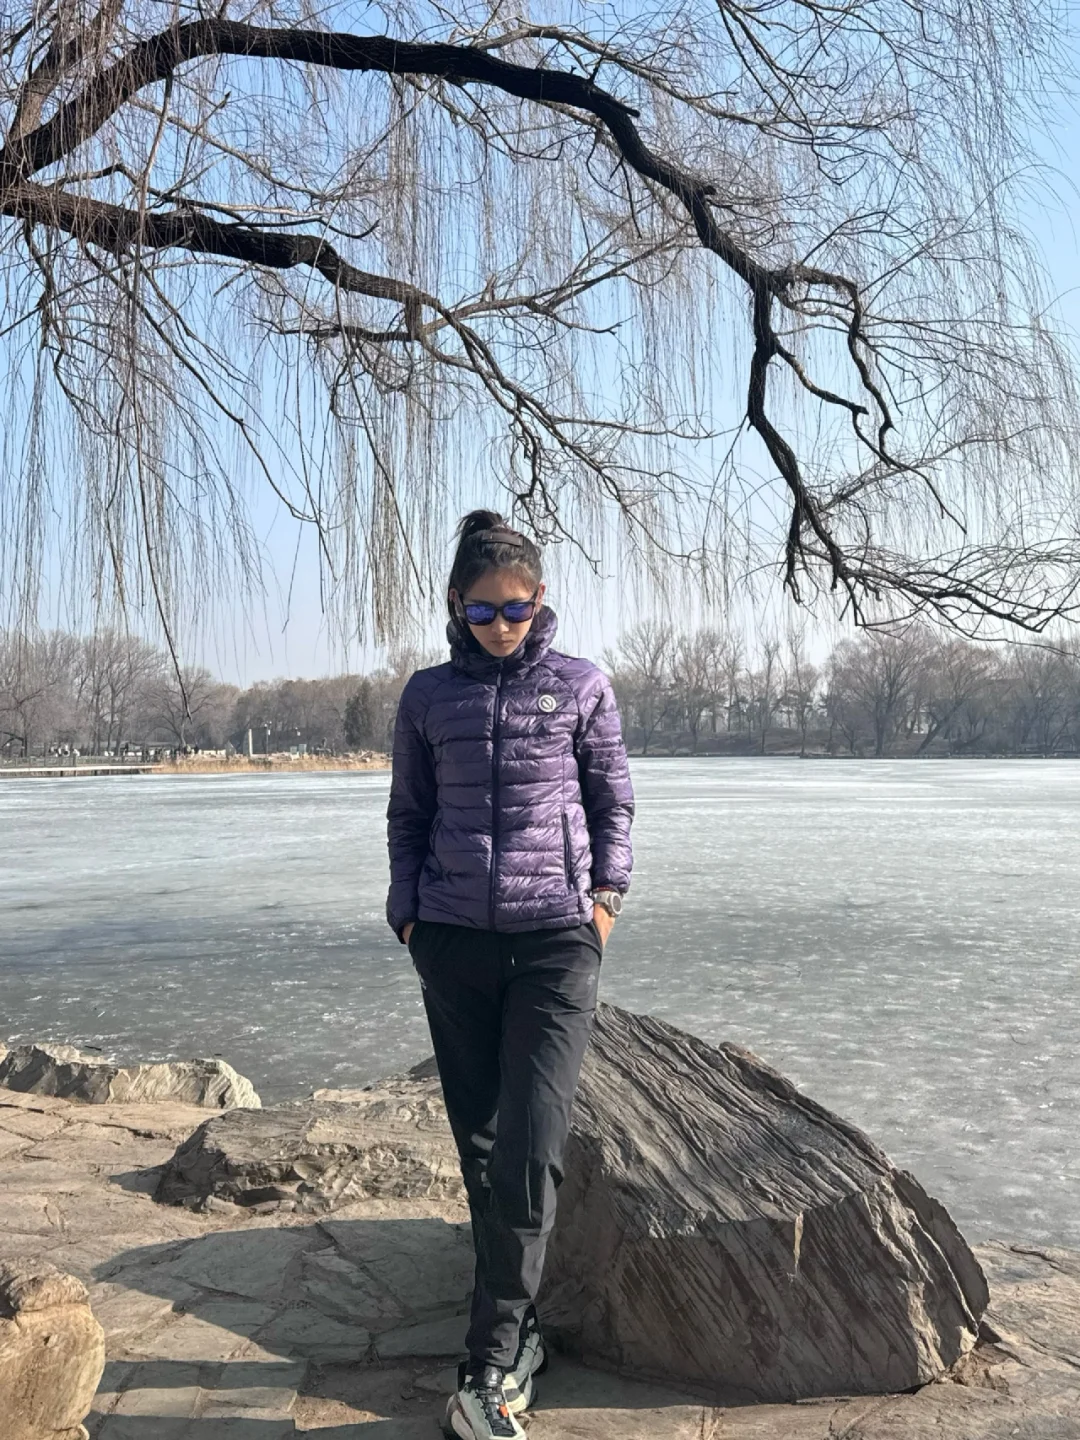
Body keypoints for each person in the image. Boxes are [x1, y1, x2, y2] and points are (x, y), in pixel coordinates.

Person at [386, 510, 634, 1440]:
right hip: (452, 940)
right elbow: (408, 814)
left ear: (541, 602)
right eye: (484, 611)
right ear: (457, 604)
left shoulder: (580, 686)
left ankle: (486, 1365)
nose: (501, 626)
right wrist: (408, 913)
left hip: (555, 943)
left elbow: (613, 802)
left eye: (517, 609)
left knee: (531, 1145)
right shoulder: (427, 696)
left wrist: (603, 902)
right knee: (483, 1148)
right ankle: (517, 1324)